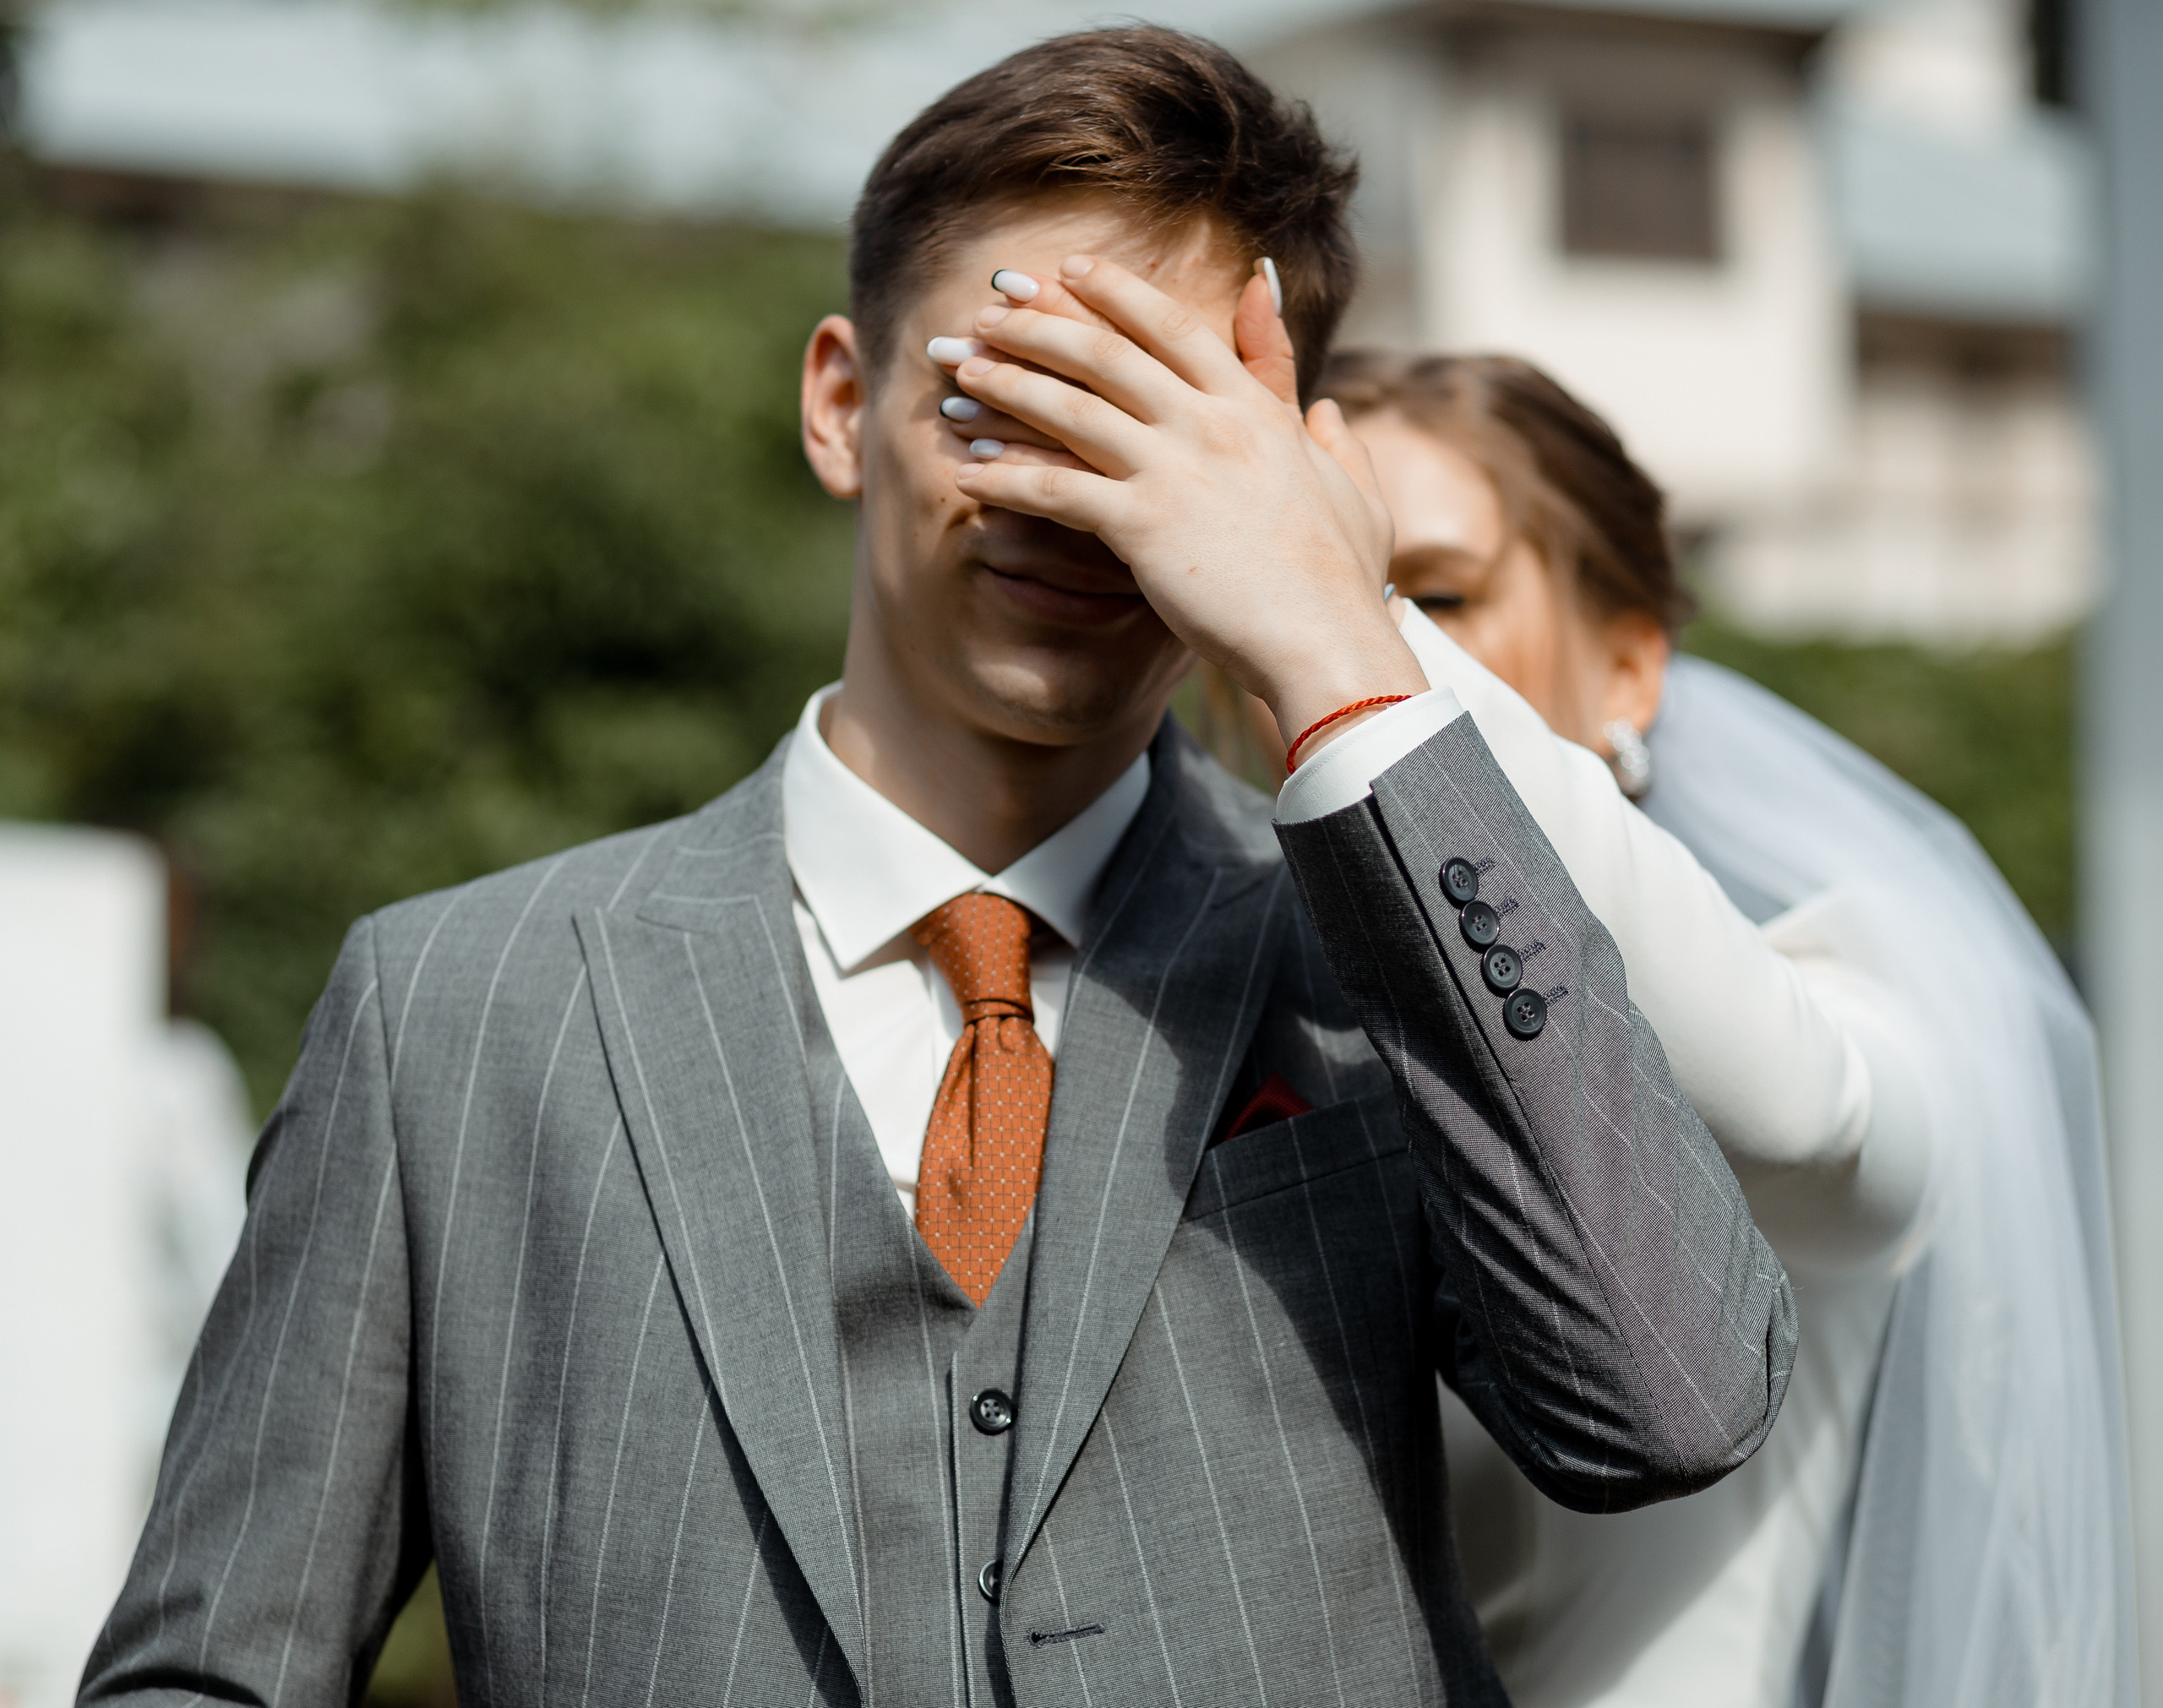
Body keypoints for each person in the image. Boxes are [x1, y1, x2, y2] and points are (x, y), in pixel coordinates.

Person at [79, 33, 1798, 1707]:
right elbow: (215, 1661)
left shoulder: (1378, 966)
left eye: (1147, 425)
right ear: (842, 401)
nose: (1066, 496)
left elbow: (1669, 1403)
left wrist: (1341, 660)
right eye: (1006, 393)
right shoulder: (451, 1011)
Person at [1310, 350, 2134, 1708]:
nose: (1301, 650)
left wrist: (1344, 630)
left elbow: (1812, 1119)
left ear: (1631, 664)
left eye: (1438, 593)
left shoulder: (1850, 1009)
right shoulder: (1233, 1030)